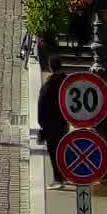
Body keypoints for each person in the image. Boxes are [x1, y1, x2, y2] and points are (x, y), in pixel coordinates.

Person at [38, 57, 69, 189]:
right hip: (64, 122)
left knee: (54, 152)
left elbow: (41, 107)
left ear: (50, 67)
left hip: (51, 124)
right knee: (63, 150)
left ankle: (58, 178)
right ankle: (66, 175)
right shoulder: (66, 82)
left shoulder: (49, 85)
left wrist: (42, 126)